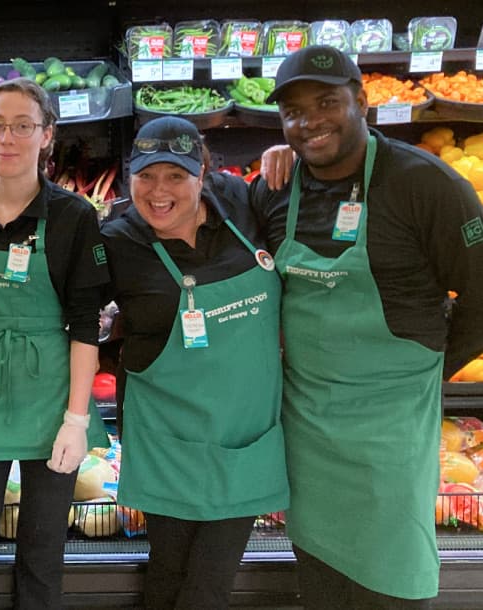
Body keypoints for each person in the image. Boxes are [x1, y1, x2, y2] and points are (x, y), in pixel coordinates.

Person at [249, 46, 483, 608]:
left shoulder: (426, 184)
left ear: (361, 101)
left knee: (392, 574)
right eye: (294, 112)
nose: (310, 122)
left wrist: (428, 371)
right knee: (321, 572)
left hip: (391, 423)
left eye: (326, 103)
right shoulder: (273, 189)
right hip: (308, 421)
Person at [102, 116, 289, 609]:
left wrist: (288, 156)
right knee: (167, 572)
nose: (158, 191)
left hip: (243, 436)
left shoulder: (244, 204)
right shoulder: (118, 242)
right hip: (168, 436)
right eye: (145, 176)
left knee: (208, 582)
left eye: (175, 176)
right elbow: (75, 316)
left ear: (203, 174)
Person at [0, 77, 112, 610]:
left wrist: (76, 419)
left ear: (46, 136)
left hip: (50, 393)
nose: (7, 137)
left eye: (22, 126)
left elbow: (85, 324)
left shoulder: (73, 216)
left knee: (42, 551)